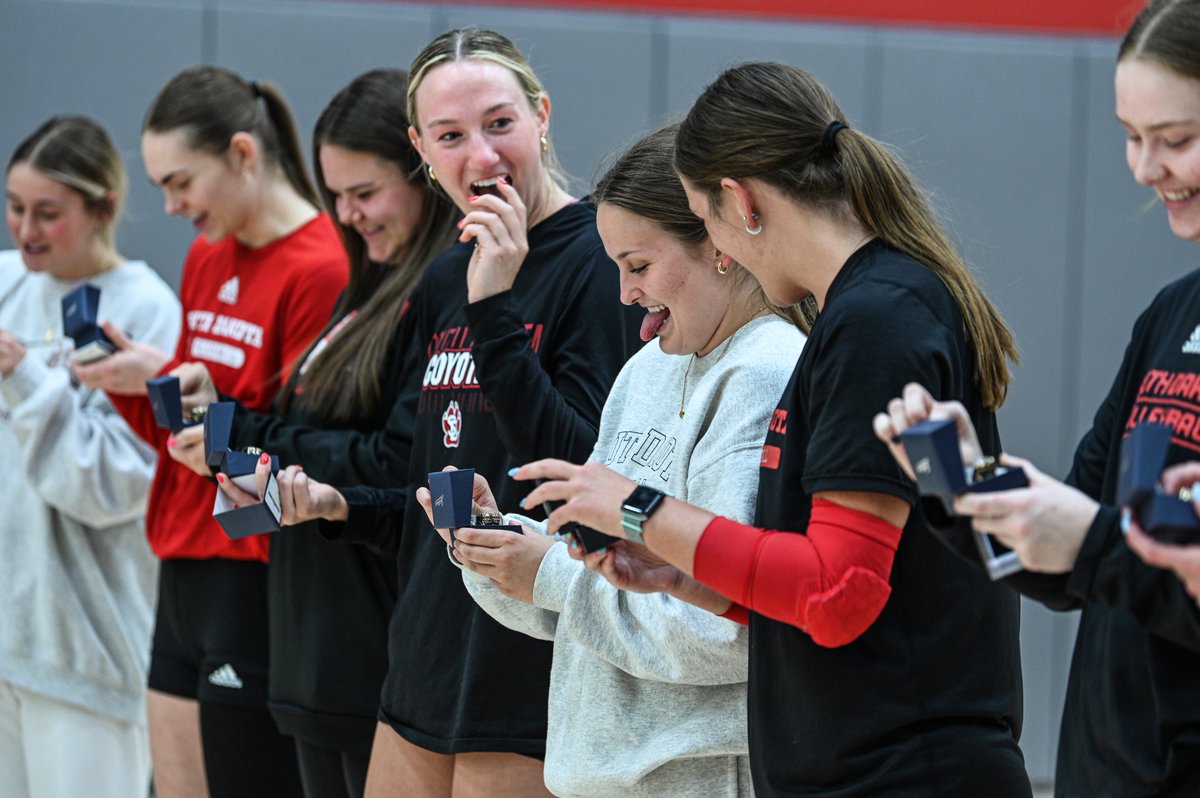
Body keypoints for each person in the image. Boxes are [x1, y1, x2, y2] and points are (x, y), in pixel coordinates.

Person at [517, 62, 1032, 796]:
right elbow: (830, 582)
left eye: (707, 223)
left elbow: (840, 593)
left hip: (906, 771)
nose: (724, 254)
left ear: (741, 203)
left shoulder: (878, 321)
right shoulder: (861, 312)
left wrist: (638, 507)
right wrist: (686, 579)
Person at [220, 27, 644, 798]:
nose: (480, 156)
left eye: (500, 124)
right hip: (421, 666)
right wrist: (339, 505)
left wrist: (494, 308)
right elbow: (429, 496)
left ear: (542, 116)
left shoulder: (597, 259)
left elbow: (578, 486)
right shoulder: (447, 274)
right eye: (451, 136)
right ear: (421, 147)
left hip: (528, 678)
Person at [410, 125, 805, 796]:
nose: (624, 294)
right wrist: (503, 550)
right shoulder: (645, 371)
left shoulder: (765, 374)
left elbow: (725, 628)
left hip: (700, 779)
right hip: (601, 777)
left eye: (639, 266)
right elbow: (591, 582)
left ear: (719, 248)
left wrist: (552, 579)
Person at [875, 1, 1200, 793]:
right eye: (1131, 136)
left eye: (1176, 140)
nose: (1144, 168)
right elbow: (1070, 563)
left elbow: (1101, 549)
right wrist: (966, 483)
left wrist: (1088, 541)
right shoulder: (1172, 314)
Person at [167, 67, 460, 798]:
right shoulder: (368, 286)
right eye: (335, 196)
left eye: (365, 194)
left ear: (423, 175)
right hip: (309, 648)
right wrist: (224, 425)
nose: (348, 214)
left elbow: (393, 463)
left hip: (369, 647)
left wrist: (242, 441)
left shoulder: (440, 295)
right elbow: (309, 434)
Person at [74, 65, 348, 798]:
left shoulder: (320, 267)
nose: (168, 206)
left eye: (180, 182)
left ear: (242, 154)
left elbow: (288, 449)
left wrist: (181, 393)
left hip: (253, 571)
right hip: (181, 563)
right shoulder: (207, 253)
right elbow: (192, 431)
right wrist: (140, 383)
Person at [0, 115, 180, 798]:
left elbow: (112, 488)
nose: (26, 231)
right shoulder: (8, 283)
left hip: (88, 654)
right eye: (15, 209)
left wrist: (24, 378)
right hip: (7, 647)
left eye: (48, 213)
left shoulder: (144, 309)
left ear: (103, 206)